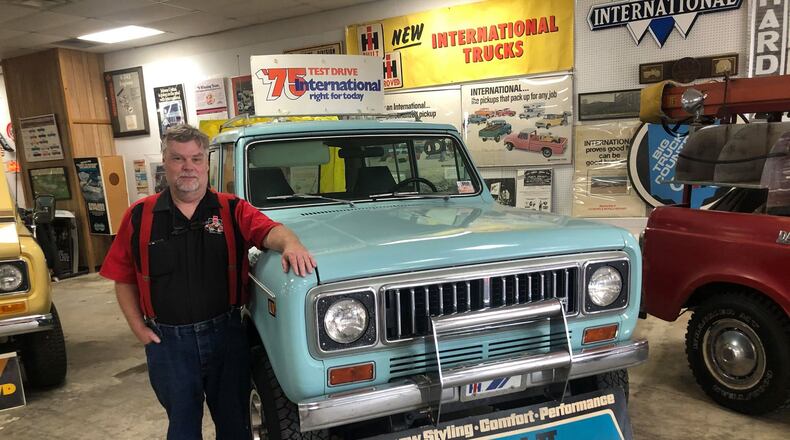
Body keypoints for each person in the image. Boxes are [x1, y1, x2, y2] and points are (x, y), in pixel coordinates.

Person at [100, 124, 316, 439]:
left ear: (206, 164)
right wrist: (139, 328)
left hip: (226, 337)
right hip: (169, 344)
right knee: (183, 427)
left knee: (235, 425)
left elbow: (271, 230)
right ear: (166, 163)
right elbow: (123, 277)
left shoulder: (232, 209)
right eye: (178, 159)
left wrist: (291, 244)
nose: (188, 167)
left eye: (196, 159)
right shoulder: (139, 216)